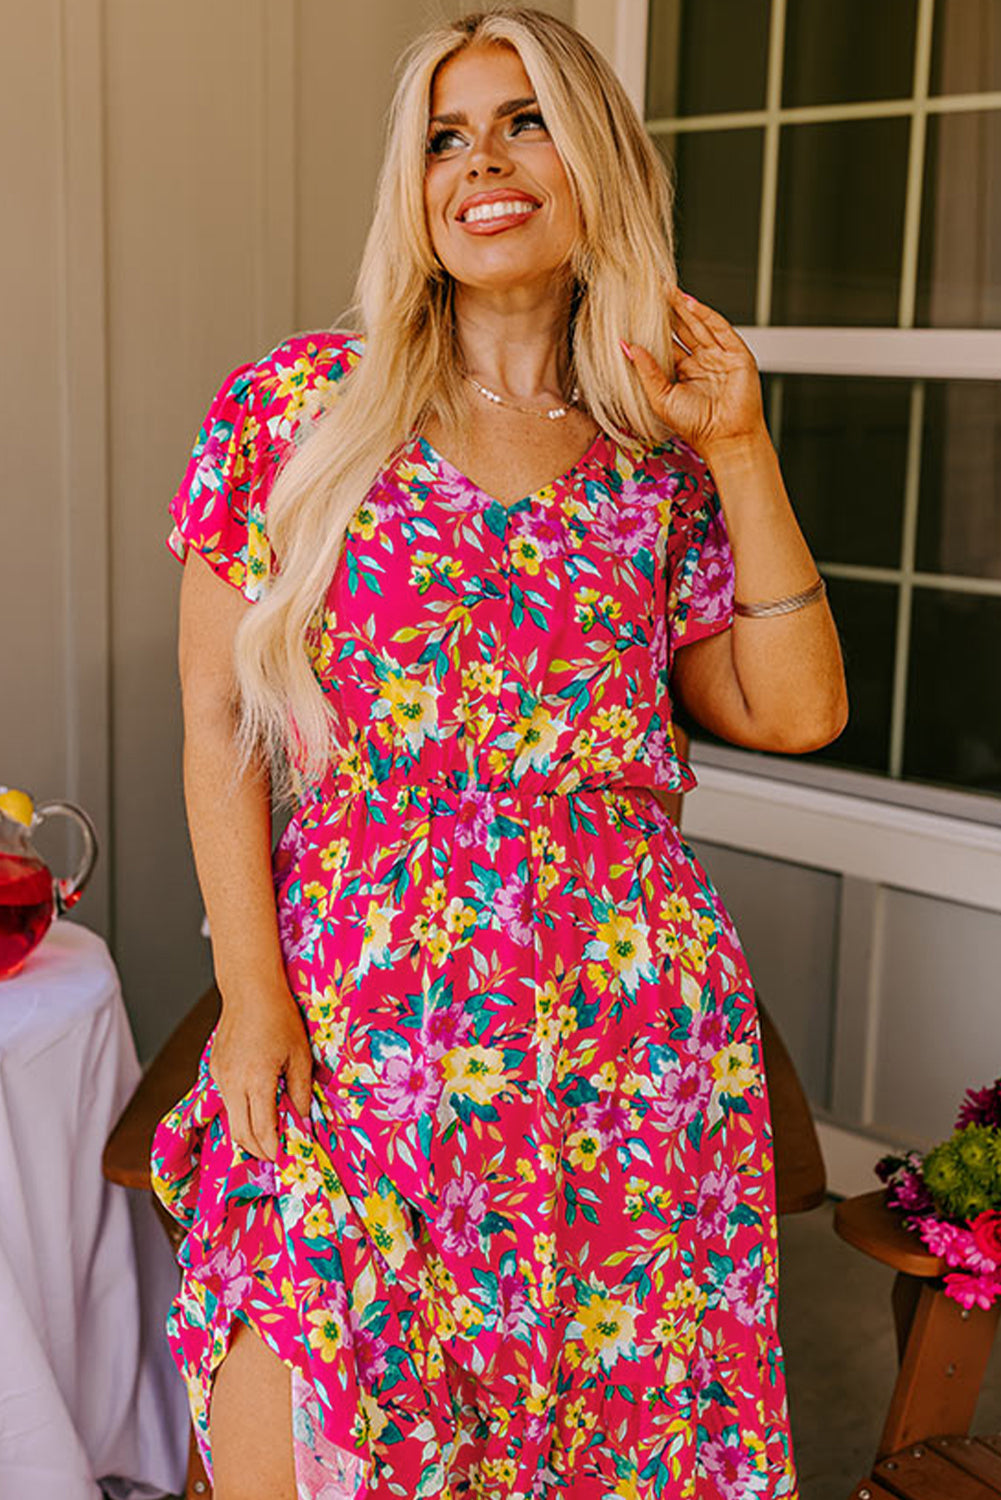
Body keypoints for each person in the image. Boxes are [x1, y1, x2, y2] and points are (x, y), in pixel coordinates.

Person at [151, 8, 847, 1499]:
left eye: (522, 121)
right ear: (413, 189)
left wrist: (738, 447)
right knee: (296, 1395)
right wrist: (253, 994)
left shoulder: (654, 454)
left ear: (594, 156)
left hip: (626, 1028)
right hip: (359, 1011)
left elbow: (790, 710)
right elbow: (218, 720)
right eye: (444, 138)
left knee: (601, 1437)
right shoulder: (296, 412)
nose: (482, 163)